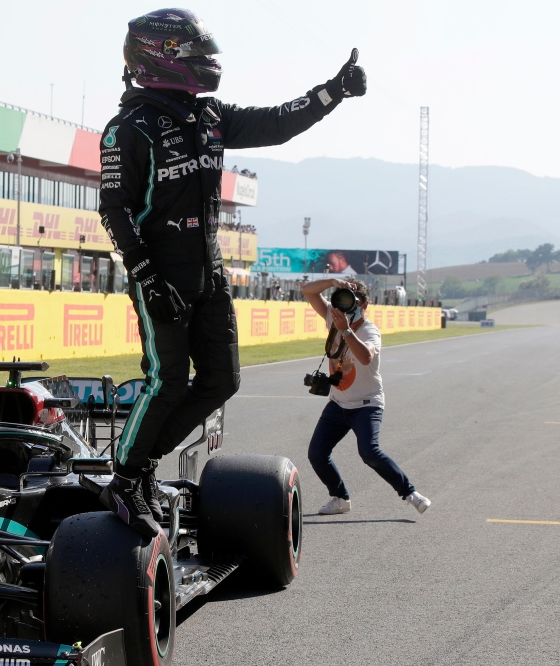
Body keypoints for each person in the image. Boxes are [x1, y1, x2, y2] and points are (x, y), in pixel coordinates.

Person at [98, 8, 368, 537]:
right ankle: (125, 480)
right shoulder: (127, 128)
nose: (207, 60)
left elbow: (276, 123)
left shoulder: (209, 114)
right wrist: (146, 275)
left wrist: (332, 91)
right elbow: (114, 209)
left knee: (223, 380)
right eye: (194, 52)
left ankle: (141, 465)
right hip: (161, 274)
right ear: (158, 56)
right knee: (166, 382)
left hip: (210, 270)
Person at [301, 277, 431, 515]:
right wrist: (333, 281)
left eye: (354, 301)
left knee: (369, 452)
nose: (346, 306)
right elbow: (307, 290)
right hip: (338, 403)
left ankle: (410, 493)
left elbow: (365, 357)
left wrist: (346, 330)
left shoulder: (370, 330)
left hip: (366, 404)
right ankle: (340, 498)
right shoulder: (333, 316)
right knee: (317, 453)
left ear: (364, 304)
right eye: (342, 300)